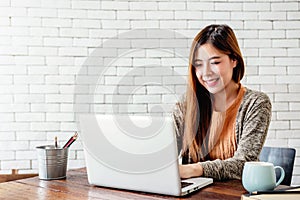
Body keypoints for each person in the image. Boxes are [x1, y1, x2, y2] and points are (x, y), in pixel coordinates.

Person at [172, 24, 272, 180]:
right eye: (198, 65)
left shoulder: (256, 103)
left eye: (215, 62)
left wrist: (193, 169)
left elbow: (244, 164)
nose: (206, 73)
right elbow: (165, 152)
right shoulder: (187, 104)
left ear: (234, 60)